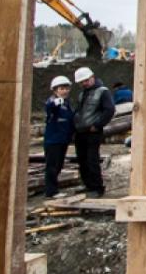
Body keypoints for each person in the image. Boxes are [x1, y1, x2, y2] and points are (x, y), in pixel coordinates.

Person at [71, 65, 114, 197]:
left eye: (86, 80)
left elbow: (109, 110)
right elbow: (79, 112)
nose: (84, 83)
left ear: (92, 77)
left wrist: (97, 125)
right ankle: (88, 185)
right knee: (82, 160)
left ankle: (97, 187)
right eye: (81, 82)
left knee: (92, 160)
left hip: (93, 132)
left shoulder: (103, 92)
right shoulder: (83, 93)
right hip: (81, 132)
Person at [43, 75, 76, 198]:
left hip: (63, 140)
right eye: (62, 89)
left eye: (66, 88)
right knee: (52, 166)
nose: (65, 91)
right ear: (55, 90)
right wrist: (56, 103)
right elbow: (49, 107)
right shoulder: (53, 102)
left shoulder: (67, 104)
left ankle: (53, 189)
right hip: (53, 140)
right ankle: (51, 191)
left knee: (58, 165)